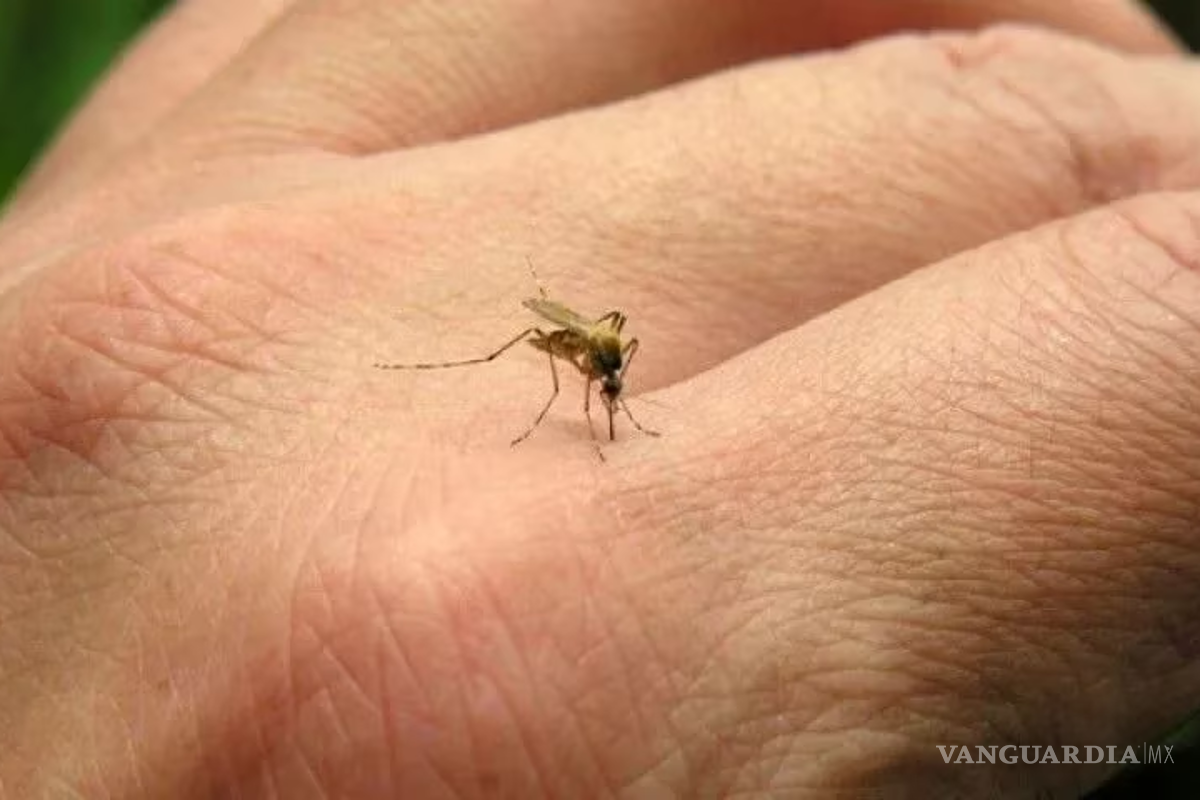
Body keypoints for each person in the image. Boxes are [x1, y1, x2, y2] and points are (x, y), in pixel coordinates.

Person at [0, 0, 1195, 796]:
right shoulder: (570, 347)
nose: (605, 372)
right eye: (604, 370)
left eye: (605, 370)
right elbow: (573, 335)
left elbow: (612, 345)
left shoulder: (611, 353)